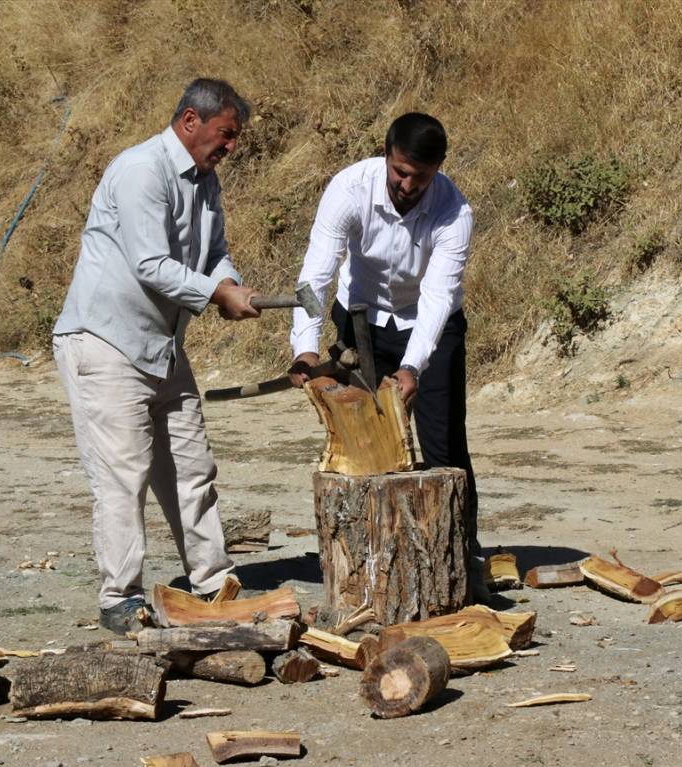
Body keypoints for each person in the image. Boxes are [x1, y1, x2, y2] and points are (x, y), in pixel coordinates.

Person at [52, 78, 259, 635]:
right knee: (124, 475)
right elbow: (150, 263)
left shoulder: (205, 180)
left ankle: (212, 581)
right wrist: (217, 295)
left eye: (233, 137)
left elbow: (214, 253)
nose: (230, 146)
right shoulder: (142, 169)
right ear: (190, 121)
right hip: (106, 342)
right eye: (225, 134)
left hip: (162, 346)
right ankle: (119, 596)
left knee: (192, 467)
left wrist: (229, 281)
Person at [287, 112, 487, 599]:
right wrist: (306, 348)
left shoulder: (453, 211)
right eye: (399, 171)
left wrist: (413, 366)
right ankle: (372, 568)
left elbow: (439, 297)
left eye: (420, 176)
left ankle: (461, 562)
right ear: (386, 156)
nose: (407, 184)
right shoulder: (349, 190)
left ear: (437, 169)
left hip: (428, 328)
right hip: (361, 320)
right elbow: (317, 275)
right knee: (364, 444)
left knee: (444, 449)